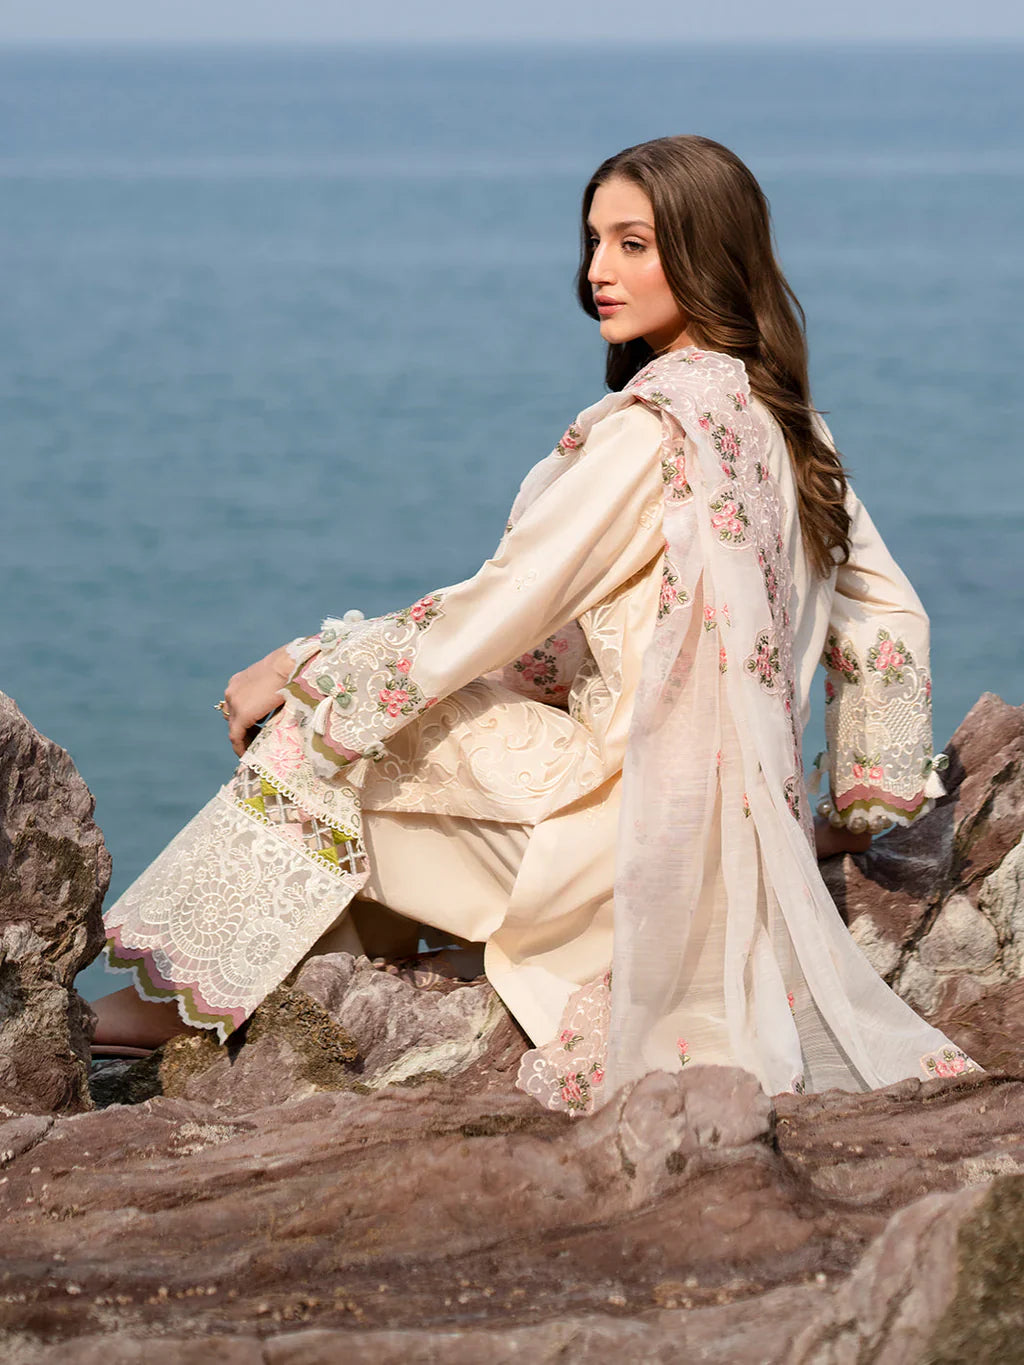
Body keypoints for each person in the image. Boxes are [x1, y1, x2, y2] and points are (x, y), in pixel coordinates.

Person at [96, 135, 974, 1112]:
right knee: (383, 704)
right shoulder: (789, 426)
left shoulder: (653, 433)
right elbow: (887, 615)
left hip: (627, 851)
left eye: (634, 244)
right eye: (594, 241)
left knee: (318, 723)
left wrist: (298, 661)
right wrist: (848, 807)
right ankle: (302, 975)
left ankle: (184, 1004)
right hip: (718, 843)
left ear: (707, 252)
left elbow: (501, 606)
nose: (598, 270)